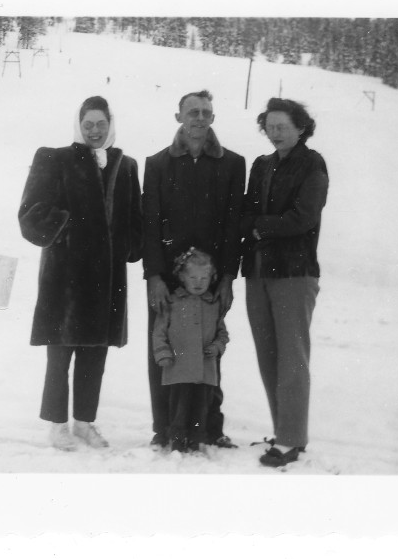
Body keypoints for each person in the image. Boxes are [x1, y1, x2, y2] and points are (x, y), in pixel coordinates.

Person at [18, 95, 143, 451]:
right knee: (59, 357)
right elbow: (30, 216)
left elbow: (135, 219)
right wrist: (70, 225)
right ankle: (57, 425)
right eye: (87, 124)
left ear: (110, 124)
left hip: (106, 282)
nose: (94, 131)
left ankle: (84, 423)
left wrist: (127, 246)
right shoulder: (53, 159)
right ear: (78, 124)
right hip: (64, 280)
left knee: (95, 356)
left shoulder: (126, 165)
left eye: (100, 124)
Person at [142, 90, 245, 449]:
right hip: (168, 279)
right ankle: (164, 428)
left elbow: (235, 226)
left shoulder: (232, 164)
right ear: (179, 118)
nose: (199, 118)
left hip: (209, 281)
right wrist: (153, 276)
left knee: (208, 350)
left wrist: (229, 276)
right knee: (164, 350)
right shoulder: (157, 164)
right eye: (192, 112)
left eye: (206, 112)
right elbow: (150, 223)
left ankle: (209, 428)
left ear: (213, 118)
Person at [241, 98, 329, 468]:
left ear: (300, 127)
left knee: (292, 358)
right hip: (259, 270)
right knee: (268, 355)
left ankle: (292, 439)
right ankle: (283, 432)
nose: (275, 133)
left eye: (283, 126)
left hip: (294, 273)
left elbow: (304, 216)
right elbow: (245, 209)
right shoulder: (261, 166)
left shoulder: (312, 163)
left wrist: (261, 226)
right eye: (270, 127)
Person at [152, 248, 230, 453]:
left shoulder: (213, 304)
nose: (198, 282)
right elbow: (159, 332)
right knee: (179, 405)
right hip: (178, 368)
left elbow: (222, 334)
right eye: (193, 277)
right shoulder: (172, 302)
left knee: (201, 406)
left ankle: (196, 439)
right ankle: (177, 439)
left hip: (205, 371)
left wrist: (216, 347)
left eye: (204, 278)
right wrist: (163, 354)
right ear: (182, 277)